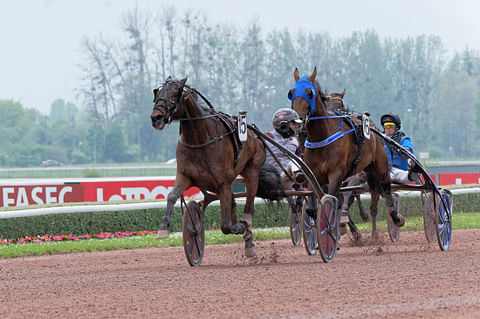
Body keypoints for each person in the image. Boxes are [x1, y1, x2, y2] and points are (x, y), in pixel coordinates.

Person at [265, 108, 305, 187]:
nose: (296, 126)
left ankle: (298, 182)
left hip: (286, 178)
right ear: (283, 124)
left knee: (297, 160)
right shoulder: (264, 138)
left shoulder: (295, 142)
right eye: (294, 123)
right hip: (266, 177)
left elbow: (299, 158)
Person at [380, 112, 419, 184]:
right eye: (386, 125)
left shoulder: (403, 138)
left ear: (397, 128)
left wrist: (405, 150)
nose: (388, 128)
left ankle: (413, 173)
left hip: (399, 171)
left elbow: (408, 148)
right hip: (383, 171)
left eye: (390, 125)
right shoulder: (378, 139)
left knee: (402, 175)